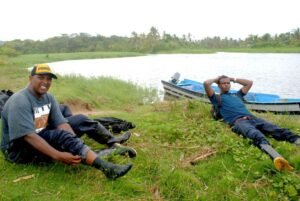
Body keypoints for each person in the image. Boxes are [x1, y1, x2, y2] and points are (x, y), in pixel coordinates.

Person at [0, 63, 132, 179]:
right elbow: (29, 136)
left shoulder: (48, 97)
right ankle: (107, 168)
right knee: (61, 136)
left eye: (49, 79)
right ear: (30, 78)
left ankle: (112, 145)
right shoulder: (20, 101)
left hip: (40, 134)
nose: (45, 82)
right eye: (40, 77)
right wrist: (58, 155)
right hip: (18, 151)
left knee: (80, 120)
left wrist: (74, 143)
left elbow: (61, 123)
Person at [204, 75, 300, 171]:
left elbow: (249, 83)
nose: (226, 85)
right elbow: (206, 83)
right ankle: (276, 157)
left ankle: (297, 140)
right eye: (223, 83)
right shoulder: (216, 98)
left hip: (253, 119)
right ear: (219, 85)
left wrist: (233, 79)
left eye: (228, 83)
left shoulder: (237, 95)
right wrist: (216, 79)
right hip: (239, 122)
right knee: (256, 135)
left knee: (277, 129)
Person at [59, 104, 137, 158]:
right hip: (50, 135)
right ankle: (105, 150)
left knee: (65, 107)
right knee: (81, 119)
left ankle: (112, 141)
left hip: (57, 128)